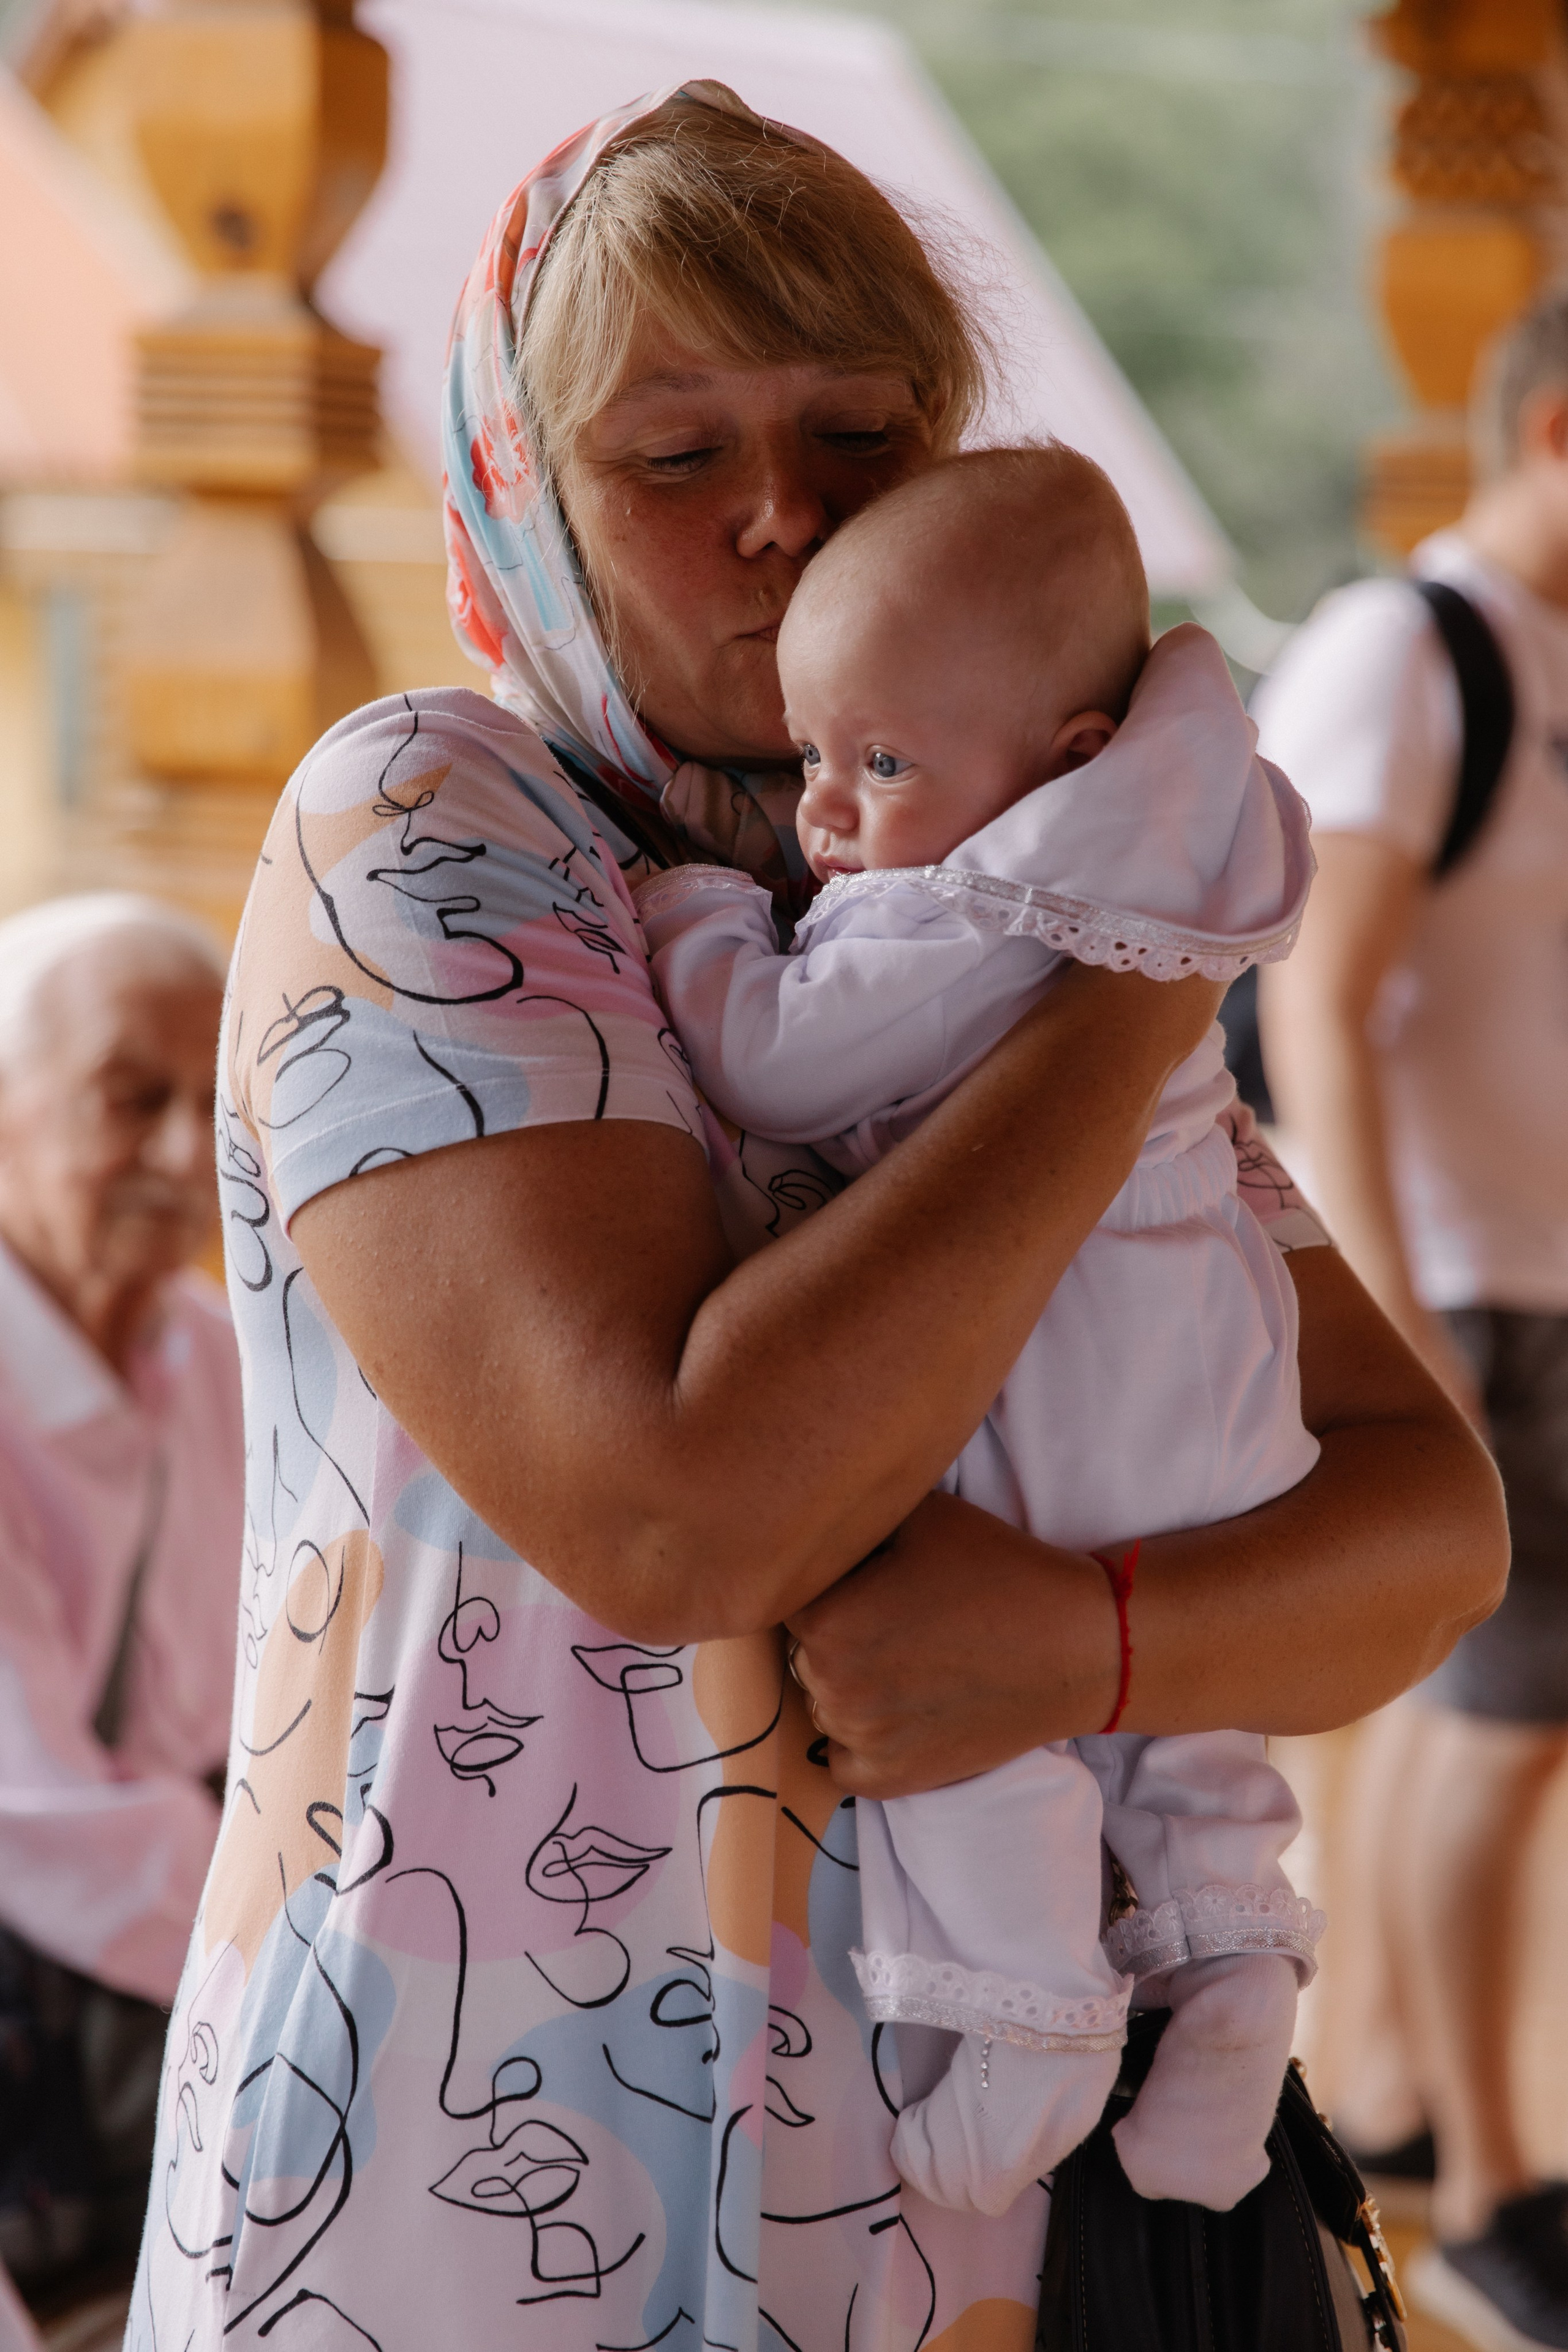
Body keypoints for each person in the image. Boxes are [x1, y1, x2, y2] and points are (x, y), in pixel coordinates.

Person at [127, 84, 1505, 2352]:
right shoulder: (439, 826)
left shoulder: (962, 887)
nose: (786, 513)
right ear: (526, 497)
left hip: (987, 2241)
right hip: (471, 2176)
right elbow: (681, 1510)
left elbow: (1428, 1534)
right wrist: (1140, 964)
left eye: (863, 433)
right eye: (674, 456)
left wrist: (1085, 1649)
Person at [639, 445, 1325, 2220]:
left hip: (1055, 1382)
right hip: (1210, 1384)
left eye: (881, 764)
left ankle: (1032, 2006)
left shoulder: (977, 903)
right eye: (811, 755)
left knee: (959, 1676)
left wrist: (701, 916)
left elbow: (776, 1058)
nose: (826, 815)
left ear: (1071, 758)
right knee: (1189, 1736)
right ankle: (1235, 1981)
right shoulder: (1168, 854)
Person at [1256, 289, 1568, 2348]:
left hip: (1540, 1280)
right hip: (1461, 1291)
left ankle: (1398, 2106)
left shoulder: (1545, 660)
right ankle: (1488, 2184)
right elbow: (1314, 1000)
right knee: (1508, 1725)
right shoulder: (1407, 650)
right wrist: (1396, 1318)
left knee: (1511, 1734)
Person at [0, 895, 239, 2296]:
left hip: (168, 1986)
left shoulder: (219, 1352)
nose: (183, 1153)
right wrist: (299, 1944)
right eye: (130, 1099)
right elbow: (33, 1811)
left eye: (213, 1100)